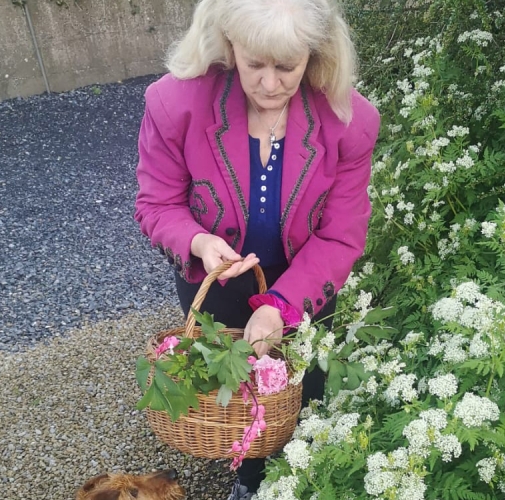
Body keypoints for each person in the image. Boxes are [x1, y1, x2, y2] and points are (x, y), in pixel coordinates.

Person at [133, 0, 380, 497]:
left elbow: (340, 235)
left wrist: (279, 308)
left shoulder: (349, 121)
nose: (270, 85)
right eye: (254, 65)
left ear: (316, 54)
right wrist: (199, 241)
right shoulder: (174, 103)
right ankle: (248, 480)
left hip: (304, 283)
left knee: (299, 392)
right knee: (234, 399)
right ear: (229, 47)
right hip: (215, 282)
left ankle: (300, 476)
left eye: (287, 67)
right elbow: (157, 204)